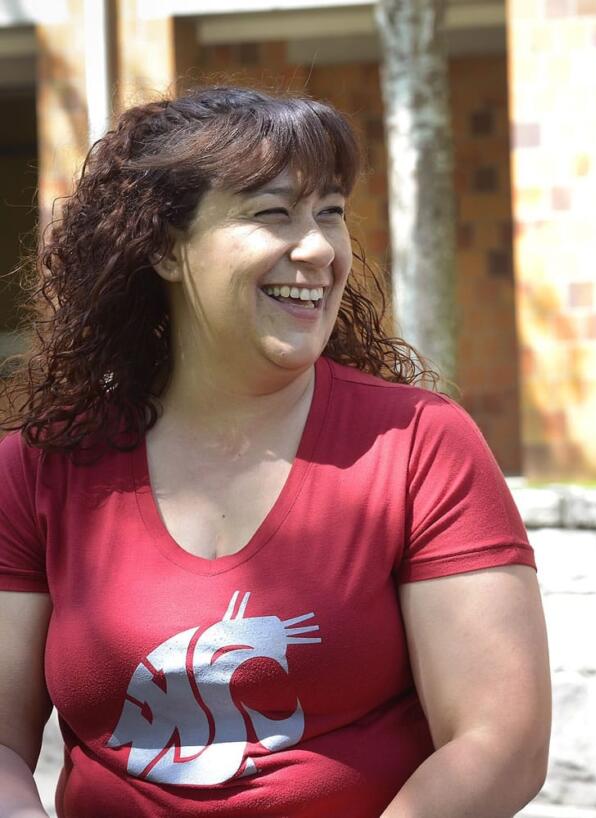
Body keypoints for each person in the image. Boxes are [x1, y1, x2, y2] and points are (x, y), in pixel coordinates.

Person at [0, 87, 550, 818]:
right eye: (271, 213)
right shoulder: (42, 466)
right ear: (165, 247)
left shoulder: (419, 444)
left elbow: (499, 740)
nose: (319, 247)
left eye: (330, 212)